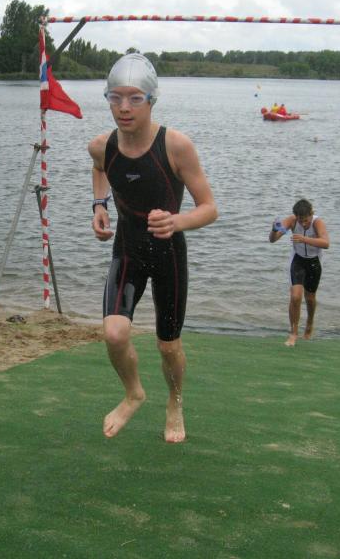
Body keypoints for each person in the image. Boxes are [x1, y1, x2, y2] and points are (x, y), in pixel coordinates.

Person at [88, 53, 218, 443]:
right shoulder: (102, 146)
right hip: (127, 249)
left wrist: (177, 221)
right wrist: (99, 205)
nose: (124, 108)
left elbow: (210, 208)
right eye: (115, 98)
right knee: (114, 334)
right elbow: (99, 168)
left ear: (151, 100)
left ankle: (175, 401)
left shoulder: (175, 146)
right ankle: (133, 393)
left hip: (167, 255)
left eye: (135, 98)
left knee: (168, 345)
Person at [269, 199, 330, 347]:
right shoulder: (292, 220)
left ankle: (309, 323)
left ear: (311, 214)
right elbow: (273, 240)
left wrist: (304, 239)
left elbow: (326, 243)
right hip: (298, 261)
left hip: (314, 262)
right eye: (300, 220)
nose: (303, 223)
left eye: (305, 220)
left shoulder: (317, 222)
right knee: (295, 296)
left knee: (310, 298)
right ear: (295, 216)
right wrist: (274, 230)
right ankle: (293, 333)